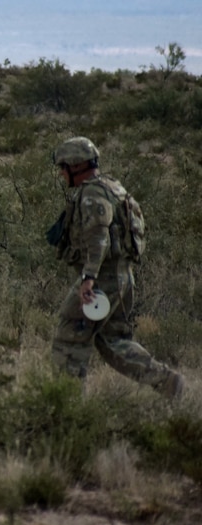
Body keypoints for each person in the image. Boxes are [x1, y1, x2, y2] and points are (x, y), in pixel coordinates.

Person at [49, 136, 184, 398]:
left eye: (63, 167)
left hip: (101, 279)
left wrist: (88, 278)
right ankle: (166, 381)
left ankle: (66, 400)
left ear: (75, 166)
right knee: (114, 341)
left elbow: (99, 237)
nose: (61, 174)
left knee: (69, 337)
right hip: (122, 277)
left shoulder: (91, 194)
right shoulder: (113, 187)